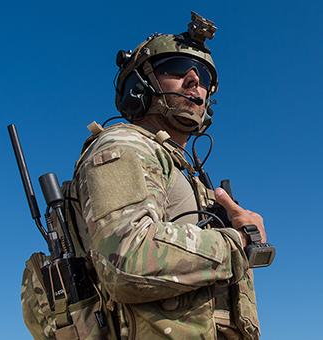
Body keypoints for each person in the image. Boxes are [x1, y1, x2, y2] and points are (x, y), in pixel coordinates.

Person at [21, 12, 267, 340]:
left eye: (205, 77)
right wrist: (240, 243)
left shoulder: (183, 170)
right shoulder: (123, 145)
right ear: (140, 85)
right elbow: (125, 259)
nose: (195, 81)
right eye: (177, 69)